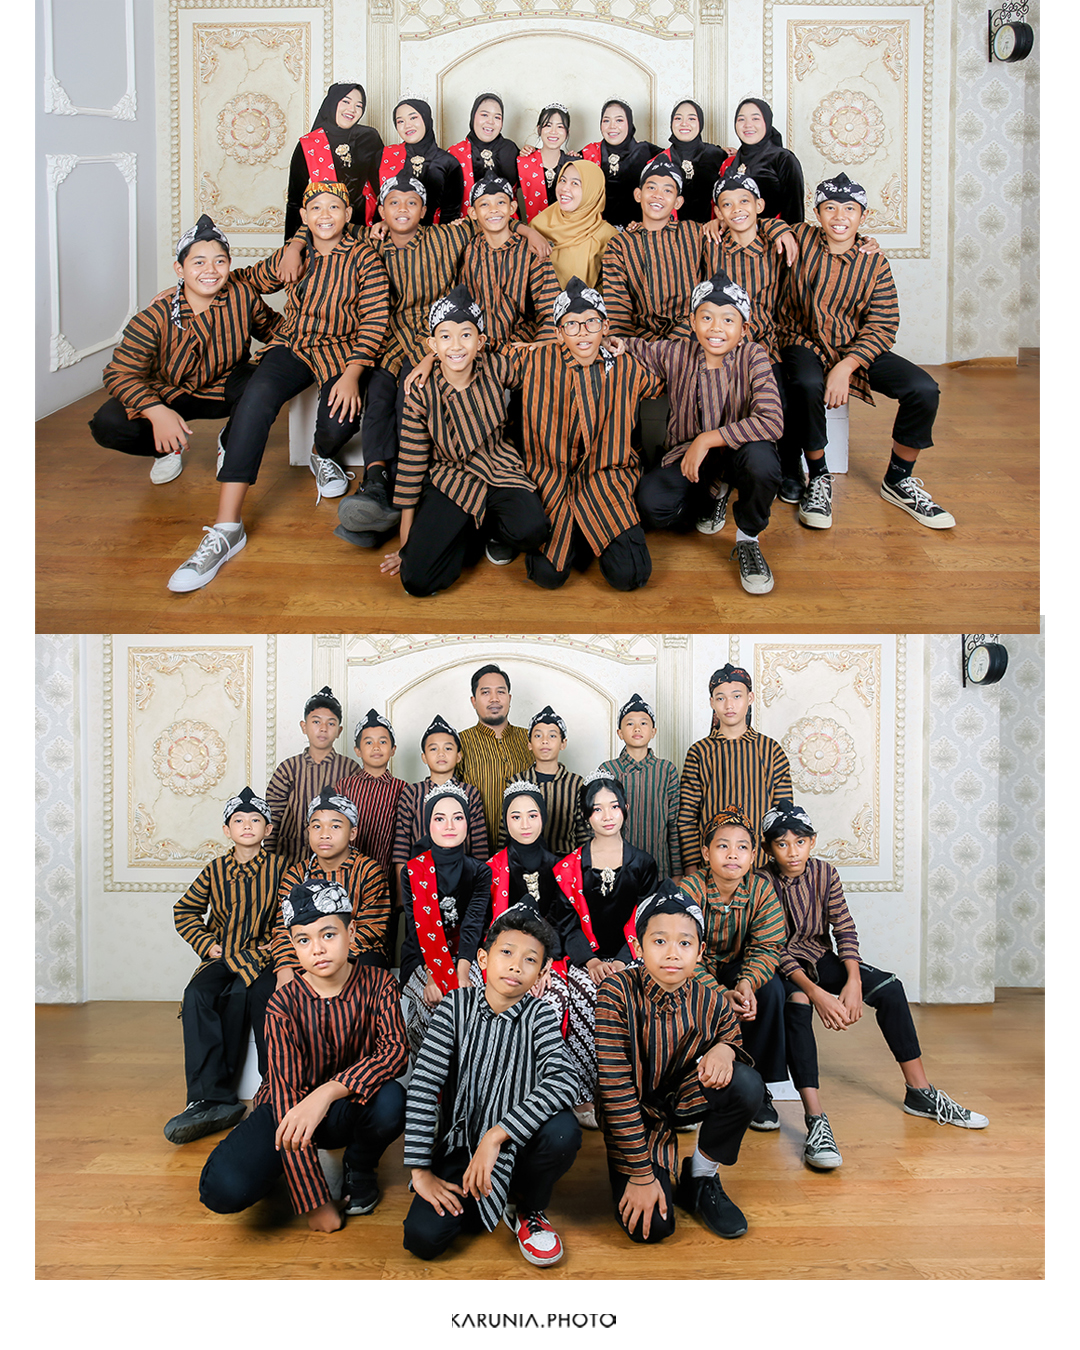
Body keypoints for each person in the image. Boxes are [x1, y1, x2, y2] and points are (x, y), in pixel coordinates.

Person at [166, 182, 390, 592]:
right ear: (303, 217)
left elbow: (375, 319)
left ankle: (322, 454)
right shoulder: (295, 255)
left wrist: (354, 372)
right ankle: (227, 527)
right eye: (316, 208)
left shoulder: (364, 257)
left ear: (348, 215)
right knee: (256, 398)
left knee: (340, 420)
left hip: (341, 350)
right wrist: (187, 288)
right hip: (294, 345)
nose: (325, 215)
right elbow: (242, 280)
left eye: (334, 207)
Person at [761, 801, 989, 1169]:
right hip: (781, 966)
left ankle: (920, 1092)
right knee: (798, 1003)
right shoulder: (761, 881)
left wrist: (852, 980)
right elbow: (772, 947)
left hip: (819, 956)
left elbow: (844, 927)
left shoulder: (825, 873)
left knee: (890, 988)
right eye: (782, 844)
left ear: (812, 841)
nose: (792, 852)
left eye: (800, 842)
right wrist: (818, 994)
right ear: (768, 848)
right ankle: (816, 1119)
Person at [199, 879, 408, 1232]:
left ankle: (359, 1166)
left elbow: (395, 1051)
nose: (318, 949)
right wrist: (316, 1202)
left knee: (393, 1100)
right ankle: (284, 1166)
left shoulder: (379, 984)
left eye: (328, 935)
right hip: (288, 1110)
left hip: (348, 1107)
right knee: (224, 1189)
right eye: (304, 940)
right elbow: (285, 1098)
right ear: (293, 945)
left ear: (351, 932)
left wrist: (326, 1093)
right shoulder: (282, 1003)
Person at [402, 908, 581, 1265]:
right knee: (422, 1239)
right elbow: (423, 1084)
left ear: (541, 973)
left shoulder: (540, 1016)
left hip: (516, 1146)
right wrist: (420, 1173)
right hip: (461, 1146)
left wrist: (497, 1135)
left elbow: (565, 1079)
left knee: (563, 1130)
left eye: (530, 960)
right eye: (507, 953)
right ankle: (485, 1196)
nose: (515, 966)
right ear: (483, 959)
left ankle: (526, 1206)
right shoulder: (455, 1007)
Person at [778, 173, 954, 531]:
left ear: (863, 215)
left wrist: (847, 365)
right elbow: (758, 222)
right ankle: (819, 476)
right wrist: (777, 229)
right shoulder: (801, 237)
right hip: (803, 340)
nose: (839, 216)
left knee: (923, 389)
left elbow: (884, 322)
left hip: (854, 345)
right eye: (830, 208)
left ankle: (899, 479)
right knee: (806, 383)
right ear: (817, 212)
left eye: (849, 209)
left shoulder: (873, 260)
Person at [594, 884, 762, 1243]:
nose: (672, 953)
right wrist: (641, 1175)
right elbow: (615, 1087)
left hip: (681, 1100)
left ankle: (700, 1177)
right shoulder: (616, 992)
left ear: (700, 952)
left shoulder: (712, 999)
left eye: (684, 943)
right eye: (659, 941)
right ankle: (644, 1166)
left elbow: (731, 1034)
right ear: (638, 947)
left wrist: (725, 1049)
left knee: (747, 1085)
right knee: (653, 1229)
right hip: (632, 1111)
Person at [379, 285, 549, 592]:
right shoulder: (421, 392)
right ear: (433, 344)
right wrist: (406, 545)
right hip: (451, 478)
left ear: (480, 341)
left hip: (499, 467)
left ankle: (489, 528)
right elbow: (411, 465)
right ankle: (467, 531)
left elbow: (538, 367)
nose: (456, 345)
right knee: (416, 580)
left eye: (466, 335)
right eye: (445, 337)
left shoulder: (497, 366)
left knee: (533, 530)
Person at [625, 267, 783, 594]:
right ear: (693, 322)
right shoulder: (677, 351)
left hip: (739, 453)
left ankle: (748, 539)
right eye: (707, 318)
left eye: (728, 320)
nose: (716, 328)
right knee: (652, 506)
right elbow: (630, 346)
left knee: (762, 462)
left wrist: (707, 439)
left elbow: (771, 420)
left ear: (743, 328)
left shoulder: (754, 355)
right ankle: (714, 495)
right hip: (689, 458)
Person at [90, 215, 280, 485]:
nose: (210, 270)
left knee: (264, 382)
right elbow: (119, 374)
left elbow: (275, 330)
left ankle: (231, 442)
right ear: (180, 269)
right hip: (167, 392)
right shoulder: (153, 318)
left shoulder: (242, 296)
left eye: (219, 261)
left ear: (229, 265)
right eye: (198, 262)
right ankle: (166, 448)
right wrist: (156, 411)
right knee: (107, 423)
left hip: (223, 387)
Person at [501, 277, 663, 592]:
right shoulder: (534, 360)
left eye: (591, 323)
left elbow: (666, 376)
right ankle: (580, 534)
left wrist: (626, 345)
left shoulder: (625, 366)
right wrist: (430, 357)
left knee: (631, 575)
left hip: (606, 480)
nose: (583, 332)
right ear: (559, 333)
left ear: (605, 327)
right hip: (552, 480)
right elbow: (480, 355)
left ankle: (591, 533)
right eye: (571, 325)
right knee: (546, 576)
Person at [165, 787, 283, 1144]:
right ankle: (207, 1098)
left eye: (255, 820)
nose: (247, 826)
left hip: (262, 957)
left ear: (267, 829)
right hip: (224, 956)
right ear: (226, 829)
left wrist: (276, 943)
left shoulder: (281, 868)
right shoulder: (215, 870)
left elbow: (291, 914)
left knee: (245, 997)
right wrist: (207, 945)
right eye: (239, 820)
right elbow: (184, 910)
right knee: (197, 994)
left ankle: (271, 1090)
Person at [486, 782, 600, 1121]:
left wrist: (543, 965)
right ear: (505, 821)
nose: (525, 824)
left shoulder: (561, 866)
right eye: (515, 816)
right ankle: (506, 1091)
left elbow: (565, 922)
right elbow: (490, 929)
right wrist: (521, 965)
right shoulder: (492, 868)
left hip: (552, 958)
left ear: (544, 818)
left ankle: (576, 1091)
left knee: (578, 995)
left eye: (532, 815)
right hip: (505, 958)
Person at [678, 806, 788, 1131]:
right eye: (722, 846)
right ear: (706, 853)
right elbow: (681, 949)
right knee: (680, 991)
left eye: (742, 847)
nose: (732, 854)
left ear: (753, 855)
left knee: (772, 990)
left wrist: (747, 984)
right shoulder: (689, 889)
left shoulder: (761, 890)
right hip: (695, 970)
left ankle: (758, 1088)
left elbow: (767, 946)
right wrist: (718, 992)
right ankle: (686, 1086)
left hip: (738, 967)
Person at [399, 783, 493, 1053]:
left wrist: (462, 974)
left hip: (466, 954)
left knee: (473, 1002)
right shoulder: (412, 871)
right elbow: (416, 928)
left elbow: (474, 925)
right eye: (440, 818)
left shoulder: (480, 871)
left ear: (467, 824)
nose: (449, 826)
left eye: (458, 817)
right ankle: (432, 1078)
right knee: (435, 1004)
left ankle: (471, 1077)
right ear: (428, 824)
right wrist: (432, 977)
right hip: (421, 957)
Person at [675, 664, 793, 875]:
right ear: (712, 702)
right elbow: (687, 816)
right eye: (720, 698)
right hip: (711, 868)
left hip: (763, 868)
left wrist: (779, 867)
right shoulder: (699, 752)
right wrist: (692, 868)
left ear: (750, 698)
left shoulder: (770, 750)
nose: (729, 705)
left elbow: (783, 814)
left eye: (737, 696)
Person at [271, 788, 392, 979]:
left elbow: (373, 928)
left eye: (335, 826)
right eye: (317, 826)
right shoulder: (296, 875)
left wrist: (327, 959)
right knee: (265, 988)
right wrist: (285, 969)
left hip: (357, 952)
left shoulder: (369, 871)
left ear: (352, 833)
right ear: (309, 831)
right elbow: (283, 929)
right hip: (305, 954)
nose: (324, 834)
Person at [553, 774, 659, 983]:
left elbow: (648, 919)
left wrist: (621, 961)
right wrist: (591, 961)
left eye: (614, 806)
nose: (607, 816)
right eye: (597, 809)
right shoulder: (568, 868)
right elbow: (568, 926)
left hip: (634, 953)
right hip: (585, 958)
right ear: (585, 815)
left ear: (625, 807)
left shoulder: (644, 863)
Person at [600, 158, 701, 344]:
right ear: (638, 194)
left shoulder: (694, 233)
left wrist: (718, 223)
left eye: (667, 190)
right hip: (641, 341)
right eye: (651, 188)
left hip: (690, 336)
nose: (658, 195)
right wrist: (629, 346)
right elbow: (618, 309)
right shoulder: (620, 245)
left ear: (678, 202)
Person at [264, 687, 355, 871]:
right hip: (290, 860)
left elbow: (354, 819)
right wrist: (269, 862)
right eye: (316, 721)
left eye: (331, 723)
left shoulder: (350, 769)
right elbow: (272, 818)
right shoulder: (288, 768)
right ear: (304, 726)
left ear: (339, 730)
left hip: (336, 863)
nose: (323, 728)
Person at [392, 715, 489, 882]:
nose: (441, 754)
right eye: (433, 749)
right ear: (424, 757)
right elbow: (402, 846)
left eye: (448, 748)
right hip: (420, 880)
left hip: (463, 879)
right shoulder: (412, 793)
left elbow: (480, 846)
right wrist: (402, 891)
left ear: (459, 756)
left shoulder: (470, 793)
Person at [597, 692, 683, 879]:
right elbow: (597, 824)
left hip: (659, 869)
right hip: (617, 869)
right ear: (620, 733)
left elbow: (674, 824)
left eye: (644, 723)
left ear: (653, 731)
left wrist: (677, 872)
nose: (637, 728)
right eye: (630, 723)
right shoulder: (608, 770)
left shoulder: (666, 770)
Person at [284, 82, 383, 241]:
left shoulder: (369, 138)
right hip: (323, 229)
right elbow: (295, 201)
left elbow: (383, 187)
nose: (352, 109)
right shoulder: (309, 144)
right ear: (332, 102)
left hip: (363, 228)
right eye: (346, 101)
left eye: (359, 105)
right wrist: (292, 245)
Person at [458, 664, 534, 844]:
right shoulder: (458, 743)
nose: (494, 699)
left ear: (509, 698)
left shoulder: (531, 740)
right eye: (485, 692)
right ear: (473, 701)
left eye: (500, 692)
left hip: (526, 850)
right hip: (476, 850)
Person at [335, 709, 406, 879]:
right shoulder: (345, 786)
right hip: (347, 875)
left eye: (383, 741)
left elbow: (404, 842)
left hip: (386, 875)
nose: (376, 747)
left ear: (393, 749)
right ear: (358, 750)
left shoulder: (403, 789)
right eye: (368, 742)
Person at [511, 706, 591, 857]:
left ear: (563, 743)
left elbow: (583, 834)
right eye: (538, 735)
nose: (545, 741)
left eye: (552, 736)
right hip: (523, 862)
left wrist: (583, 865)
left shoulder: (576, 784)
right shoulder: (517, 782)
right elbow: (506, 831)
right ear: (529, 744)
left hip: (565, 861)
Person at [372, 98, 464, 226]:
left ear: (426, 119)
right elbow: (378, 203)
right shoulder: (385, 155)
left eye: (413, 118)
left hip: (433, 235)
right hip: (390, 234)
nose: (407, 125)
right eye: (400, 121)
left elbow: (450, 214)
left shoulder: (448, 162)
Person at [530, 159, 618, 289]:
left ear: (591, 191)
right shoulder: (538, 225)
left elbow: (614, 287)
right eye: (563, 180)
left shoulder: (607, 236)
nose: (564, 188)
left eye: (575, 183)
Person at [718, 98, 805, 226]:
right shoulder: (729, 163)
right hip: (733, 235)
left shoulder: (783, 159)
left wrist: (787, 234)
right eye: (741, 119)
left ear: (767, 122)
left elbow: (794, 210)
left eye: (755, 118)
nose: (748, 125)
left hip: (773, 235)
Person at [580, 99, 660, 228]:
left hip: (638, 231)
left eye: (619, 120)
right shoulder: (590, 152)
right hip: (597, 231)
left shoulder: (646, 151)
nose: (612, 126)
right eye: (606, 120)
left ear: (629, 123)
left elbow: (677, 158)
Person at [446, 93, 521, 218]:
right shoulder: (455, 153)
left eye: (497, 117)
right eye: (484, 115)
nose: (490, 122)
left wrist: (532, 154)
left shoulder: (511, 149)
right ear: (473, 117)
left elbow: (534, 180)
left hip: (507, 224)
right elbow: (445, 202)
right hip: (467, 223)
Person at [662, 99, 727, 223]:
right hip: (671, 231)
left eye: (691, 118)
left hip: (712, 230)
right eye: (678, 118)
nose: (684, 123)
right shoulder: (661, 159)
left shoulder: (717, 155)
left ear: (700, 123)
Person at [517, 102, 581, 222]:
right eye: (548, 125)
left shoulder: (575, 164)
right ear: (539, 129)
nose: (553, 131)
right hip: (534, 230)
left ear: (567, 133)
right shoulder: (524, 162)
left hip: (568, 229)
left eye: (560, 127)